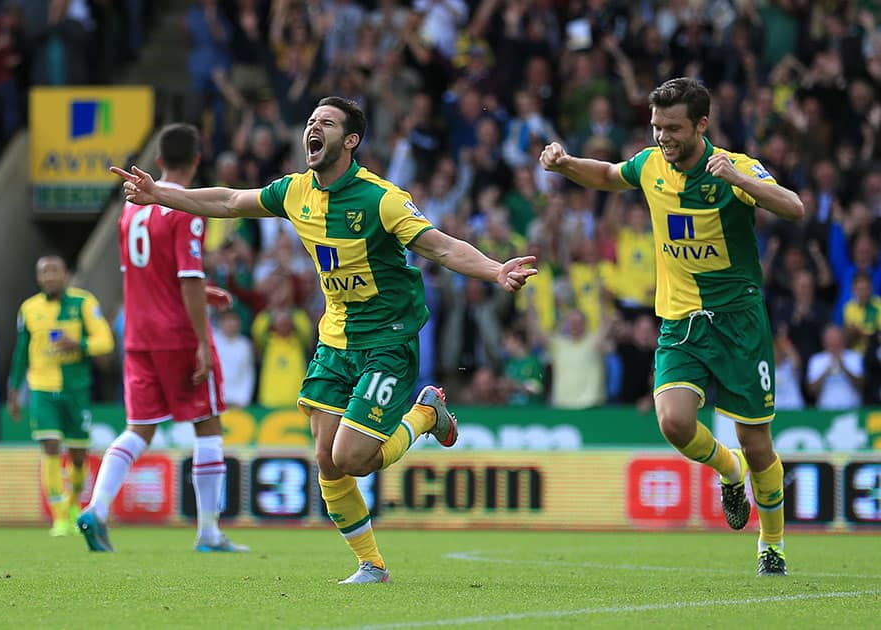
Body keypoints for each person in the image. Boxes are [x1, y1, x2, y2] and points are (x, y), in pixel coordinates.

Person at [112, 96, 537, 583]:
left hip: (386, 338)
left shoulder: (382, 199)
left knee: (352, 458)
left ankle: (423, 415)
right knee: (325, 460)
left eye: (326, 123)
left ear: (350, 140)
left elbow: (439, 246)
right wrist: (159, 195)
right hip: (335, 340)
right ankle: (371, 564)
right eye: (311, 121)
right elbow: (229, 201)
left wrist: (493, 269)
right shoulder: (296, 192)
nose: (313, 128)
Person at [540, 77, 804, 576]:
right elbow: (611, 174)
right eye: (657, 126)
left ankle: (772, 544)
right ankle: (728, 471)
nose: (663, 136)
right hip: (681, 321)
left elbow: (794, 207)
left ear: (702, 124)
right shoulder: (650, 164)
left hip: (740, 324)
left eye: (674, 128)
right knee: (675, 422)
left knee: (758, 444)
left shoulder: (735, 166)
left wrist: (740, 181)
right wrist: (567, 164)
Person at [78, 123, 248, 554]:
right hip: (177, 334)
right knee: (207, 423)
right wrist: (201, 342)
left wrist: (199, 291)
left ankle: (96, 509)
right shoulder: (184, 208)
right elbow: (188, 277)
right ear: (197, 160)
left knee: (138, 429)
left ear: (157, 161)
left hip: (137, 333)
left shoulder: (133, 206)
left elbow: (144, 273)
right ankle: (208, 532)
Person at [8, 256, 115, 537]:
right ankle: (58, 518)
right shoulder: (29, 308)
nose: (49, 277)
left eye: (54, 271)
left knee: (78, 456)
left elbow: (105, 341)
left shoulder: (83, 303)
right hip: (41, 388)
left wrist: (77, 344)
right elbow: (21, 350)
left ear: (65, 273)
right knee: (50, 445)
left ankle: (72, 504)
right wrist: (14, 388)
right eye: (43, 272)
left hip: (75, 390)